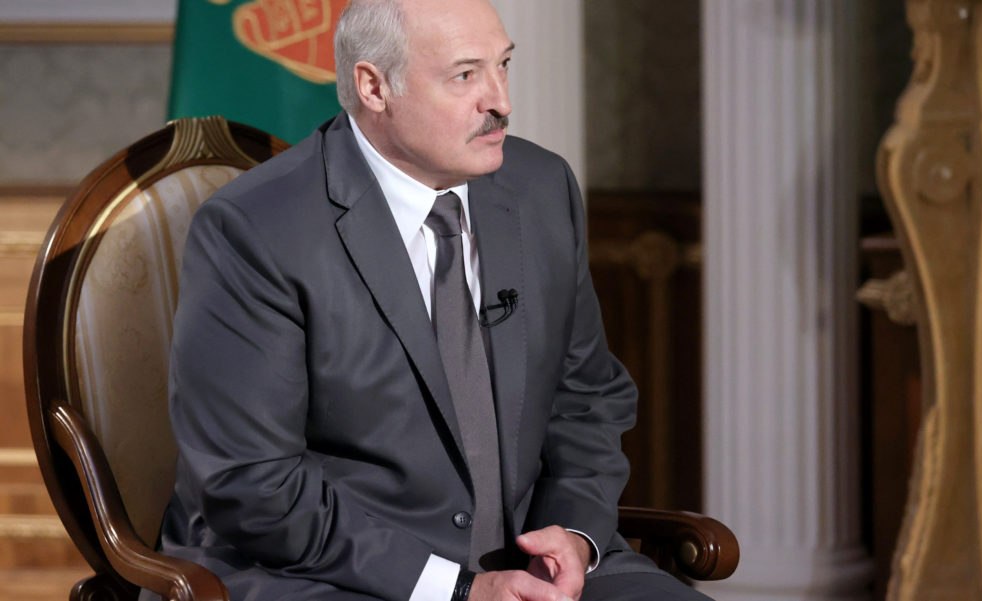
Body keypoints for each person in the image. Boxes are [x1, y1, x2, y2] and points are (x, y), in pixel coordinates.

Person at [152, 0, 712, 600]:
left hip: (531, 563)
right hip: (334, 574)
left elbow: (587, 398)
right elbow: (254, 485)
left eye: (503, 65)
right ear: (374, 87)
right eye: (465, 75)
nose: (501, 101)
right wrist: (460, 590)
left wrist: (571, 534)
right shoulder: (256, 229)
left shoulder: (540, 187)